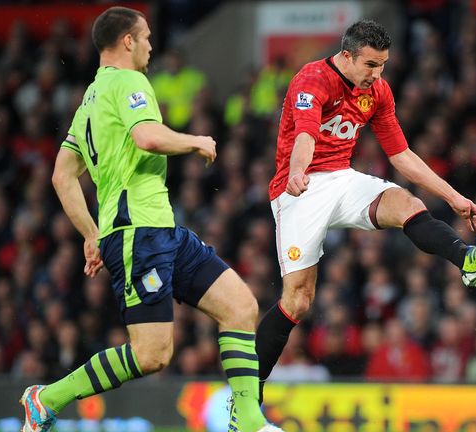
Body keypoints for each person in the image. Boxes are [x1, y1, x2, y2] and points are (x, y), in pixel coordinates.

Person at [19, 7, 280, 432]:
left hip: (159, 229)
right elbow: (147, 136)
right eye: (147, 38)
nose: (151, 46)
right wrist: (196, 140)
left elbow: (62, 174)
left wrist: (90, 233)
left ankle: (248, 421)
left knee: (241, 307)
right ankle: (47, 398)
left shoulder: (89, 99)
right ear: (127, 41)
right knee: (152, 355)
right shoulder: (128, 81)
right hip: (138, 235)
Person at [256, 19, 476, 403]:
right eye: (371, 65)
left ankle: (466, 257)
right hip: (298, 191)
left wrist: (454, 197)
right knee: (298, 301)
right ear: (346, 55)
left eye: (383, 64)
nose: (378, 74)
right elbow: (305, 134)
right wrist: (298, 172)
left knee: (409, 204)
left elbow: (401, 154)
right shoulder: (312, 80)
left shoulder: (378, 91)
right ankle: (245, 393)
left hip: (341, 178)